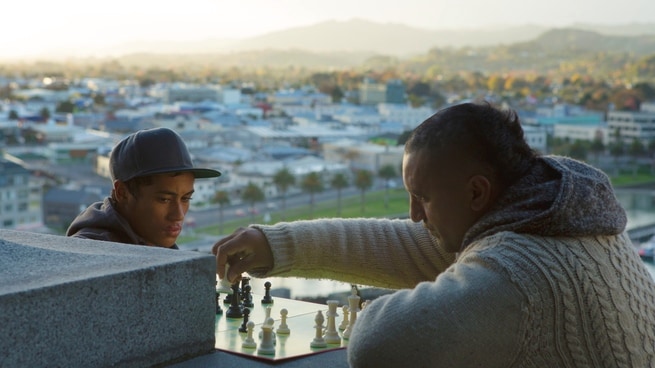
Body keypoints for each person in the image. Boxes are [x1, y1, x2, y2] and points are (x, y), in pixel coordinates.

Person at [213, 101, 655, 367]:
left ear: (477, 192)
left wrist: (370, 304)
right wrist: (275, 244)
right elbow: (420, 247)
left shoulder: (518, 276)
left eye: (421, 198)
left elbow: (377, 346)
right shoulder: (564, 215)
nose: (413, 215)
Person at [67, 127, 221, 249]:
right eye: (164, 199)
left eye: (186, 198)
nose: (178, 215)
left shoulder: (153, 243)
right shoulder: (90, 252)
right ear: (122, 193)